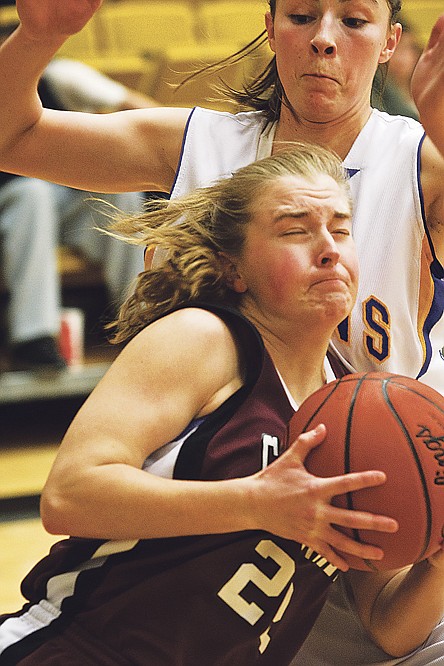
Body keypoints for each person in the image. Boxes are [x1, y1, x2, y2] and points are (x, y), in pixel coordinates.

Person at [0, 0, 442, 660]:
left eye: (353, 20)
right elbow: (12, 139)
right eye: (300, 15)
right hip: (215, 498)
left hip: (378, 496)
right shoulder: (201, 145)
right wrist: (37, 38)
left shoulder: (417, 160)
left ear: (389, 43)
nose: (324, 39)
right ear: (269, 28)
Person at [0, 52, 158, 371]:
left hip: (59, 201)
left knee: (121, 193)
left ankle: (140, 318)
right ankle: (34, 337)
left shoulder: (60, 75)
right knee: (32, 193)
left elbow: (140, 110)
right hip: (14, 203)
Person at [371, 16, 422, 119]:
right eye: (397, 49)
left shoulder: (425, 88)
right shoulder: (376, 95)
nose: (402, 57)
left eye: (407, 48)